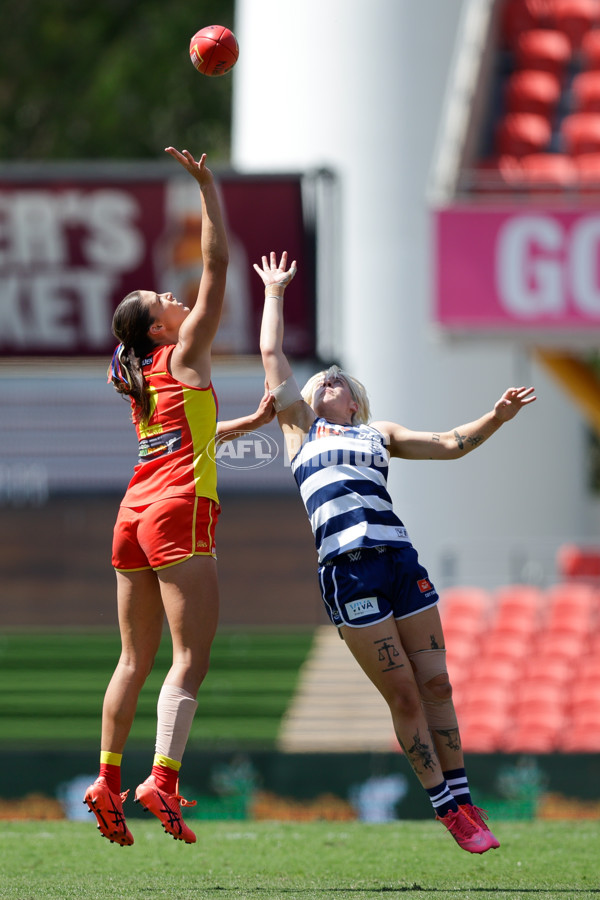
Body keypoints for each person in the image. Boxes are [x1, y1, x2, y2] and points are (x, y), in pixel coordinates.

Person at [255, 250, 537, 854]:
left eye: (338, 381)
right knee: (403, 692)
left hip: (399, 561)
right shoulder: (302, 429)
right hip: (348, 573)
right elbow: (271, 356)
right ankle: (445, 809)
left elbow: (451, 444)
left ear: (354, 400)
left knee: (438, 686)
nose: (327, 379)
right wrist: (275, 292)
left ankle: (465, 797)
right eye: (320, 379)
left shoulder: (377, 434)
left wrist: (499, 415)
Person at [84, 148, 275, 848]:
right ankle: (161, 778)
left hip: (133, 512)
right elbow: (219, 267)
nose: (175, 296)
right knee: (190, 658)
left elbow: (180, 437)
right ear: (160, 329)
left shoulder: (143, 379)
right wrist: (206, 187)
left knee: (132, 659)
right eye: (163, 301)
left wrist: (244, 425)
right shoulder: (186, 352)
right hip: (177, 510)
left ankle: (106, 779)